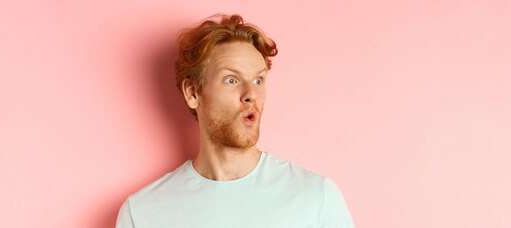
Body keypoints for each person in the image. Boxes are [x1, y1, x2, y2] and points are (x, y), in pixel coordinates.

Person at [116, 14, 354, 228]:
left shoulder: (315, 197)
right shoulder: (143, 213)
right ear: (193, 93)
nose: (251, 93)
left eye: (259, 80)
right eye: (231, 80)